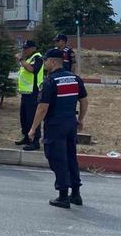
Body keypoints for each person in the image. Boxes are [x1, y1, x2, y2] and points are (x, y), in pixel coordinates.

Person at [28, 49, 88, 209]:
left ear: (53, 62)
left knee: (57, 158)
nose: (45, 63)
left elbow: (42, 108)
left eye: (46, 60)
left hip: (55, 125)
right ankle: (75, 194)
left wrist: (33, 128)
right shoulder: (75, 79)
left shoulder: (50, 81)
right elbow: (83, 100)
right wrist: (80, 119)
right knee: (70, 157)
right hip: (70, 123)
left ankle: (63, 196)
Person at [15, 40, 44, 151]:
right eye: (24, 48)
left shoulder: (38, 57)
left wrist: (21, 59)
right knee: (24, 117)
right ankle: (27, 137)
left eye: (27, 48)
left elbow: (32, 70)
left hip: (34, 92)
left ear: (33, 48)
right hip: (25, 93)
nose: (24, 50)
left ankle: (35, 141)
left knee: (32, 117)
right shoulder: (28, 59)